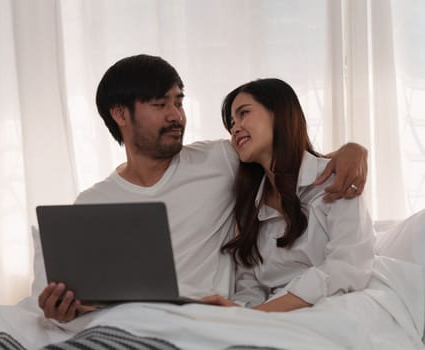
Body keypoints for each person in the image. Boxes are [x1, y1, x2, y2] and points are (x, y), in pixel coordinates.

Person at [38, 55, 368, 322]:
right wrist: (64, 311)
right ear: (120, 113)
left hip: (206, 322)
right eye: (160, 104)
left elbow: (290, 158)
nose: (176, 115)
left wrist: (352, 149)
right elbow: (77, 293)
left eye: (178, 102)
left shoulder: (222, 159)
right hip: (126, 323)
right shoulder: (90, 203)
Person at [201, 78, 375, 312]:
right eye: (231, 123)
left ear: (279, 114)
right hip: (277, 315)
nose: (235, 128)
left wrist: (259, 315)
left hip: (338, 304)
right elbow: (250, 283)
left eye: (243, 113)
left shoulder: (335, 182)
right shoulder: (250, 208)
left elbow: (347, 268)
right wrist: (238, 311)